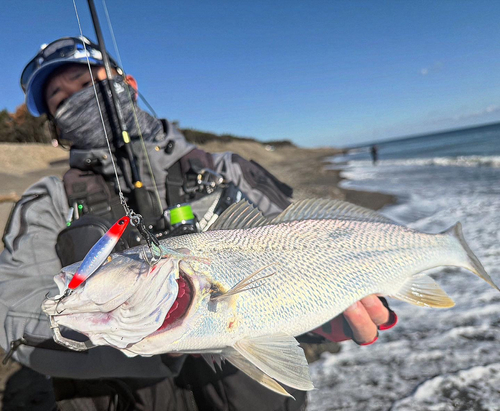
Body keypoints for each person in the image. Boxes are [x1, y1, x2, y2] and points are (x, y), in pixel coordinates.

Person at [0, 36, 396, 410]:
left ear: (128, 85)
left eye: (86, 82)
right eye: (60, 99)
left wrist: (321, 317)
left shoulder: (227, 169)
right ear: (53, 122)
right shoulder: (47, 201)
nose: (77, 99)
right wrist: (131, 333)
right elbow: (12, 314)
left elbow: (316, 248)